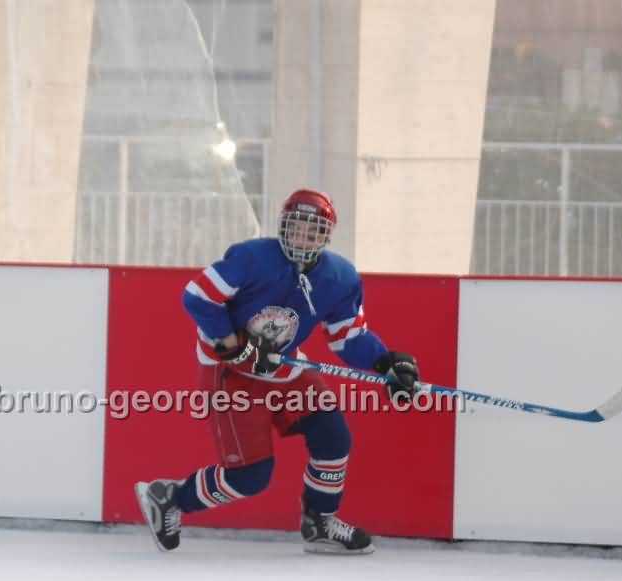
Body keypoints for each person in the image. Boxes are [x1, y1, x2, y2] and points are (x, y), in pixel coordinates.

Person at [134, 189, 419, 555]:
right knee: (250, 477)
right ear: (283, 226)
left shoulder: (340, 278)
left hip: (283, 366)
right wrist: (233, 343)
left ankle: (319, 523)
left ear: (326, 237)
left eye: (313, 231)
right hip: (228, 371)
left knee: (333, 437)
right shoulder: (251, 258)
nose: (303, 237)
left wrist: (386, 363)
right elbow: (198, 296)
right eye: (296, 227)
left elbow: (348, 338)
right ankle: (170, 497)